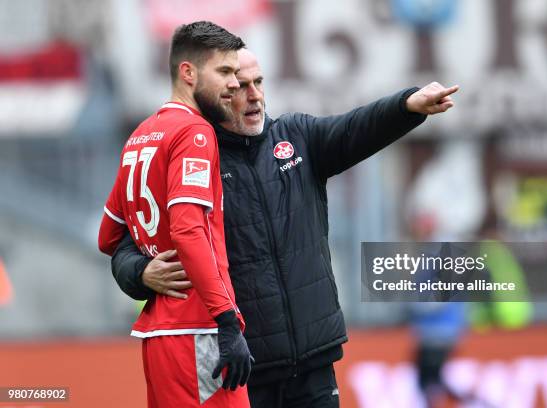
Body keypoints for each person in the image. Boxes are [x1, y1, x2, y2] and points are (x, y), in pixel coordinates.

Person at [110, 48, 458, 407]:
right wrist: (140, 272)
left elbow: (356, 127)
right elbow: (124, 239)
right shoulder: (194, 156)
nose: (255, 95)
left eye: (258, 82)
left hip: (314, 363)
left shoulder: (297, 136)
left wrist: (406, 107)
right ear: (216, 95)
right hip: (244, 369)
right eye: (241, 86)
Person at [97, 21, 253, 408]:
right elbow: (187, 230)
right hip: (198, 330)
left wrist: (141, 270)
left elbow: (108, 235)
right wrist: (228, 320)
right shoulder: (194, 133)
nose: (234, 83)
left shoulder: (142, 135)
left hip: (160, 335)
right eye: (225, 72)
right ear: (188, 72)